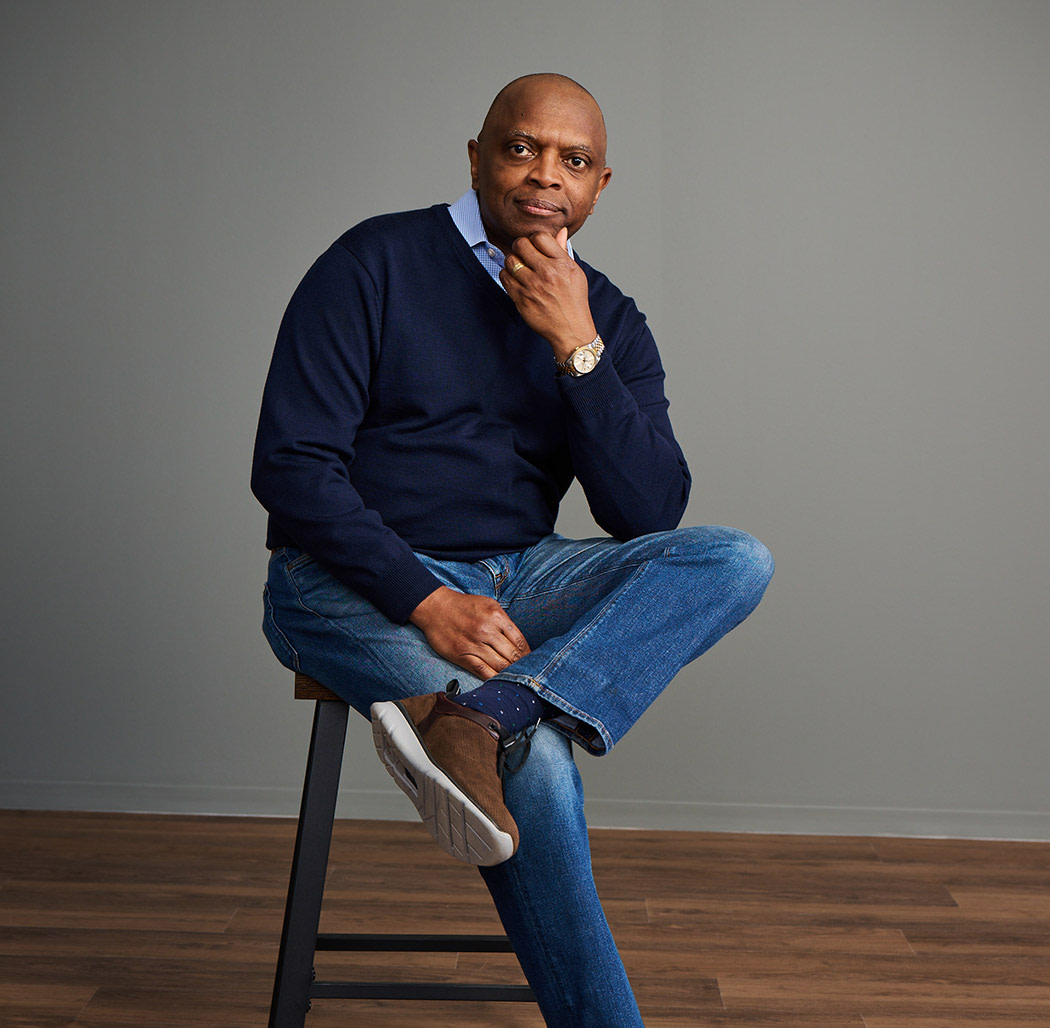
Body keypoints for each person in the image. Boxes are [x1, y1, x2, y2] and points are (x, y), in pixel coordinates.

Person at [251, 72, 773, 1028]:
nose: (545, 177)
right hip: (344, 583)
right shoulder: (373, 262)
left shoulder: (607, 318)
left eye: (573, 162)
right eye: (521, 148)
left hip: (521, 573)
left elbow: (648, 513)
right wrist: (424, 600)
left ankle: (490, 712)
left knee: (735, 559)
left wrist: (577, 347)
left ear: (600, 187)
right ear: (477, 155)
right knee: (533, 765)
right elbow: (290, 467)